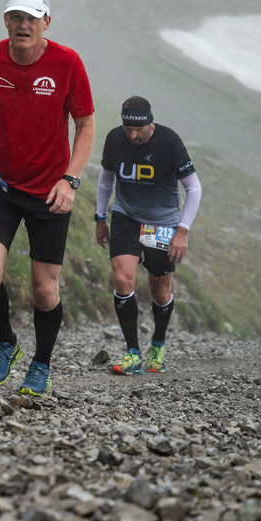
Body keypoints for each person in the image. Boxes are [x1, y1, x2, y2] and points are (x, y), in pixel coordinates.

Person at [0, 0, 96, 396]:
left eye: (31, 18)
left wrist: (70, 179)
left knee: (44, 289)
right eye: (16, 17)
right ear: (6, 20)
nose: (23, 25)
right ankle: (6, 341)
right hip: (0, 181)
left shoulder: (67, 62)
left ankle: (41, 363)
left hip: (50, 190)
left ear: (46, 23)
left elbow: (86, 124)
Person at [94, 95, 201, 374]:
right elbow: (106, 180)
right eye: (128, 129)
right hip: (126, 217)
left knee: (160, 288)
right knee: (122, 278)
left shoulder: (169, 141)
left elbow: (194, 188)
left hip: (164, 223)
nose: (133, 135)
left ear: (150, 123)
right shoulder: (115, 139)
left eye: (138, 130)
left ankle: (158, 344)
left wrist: (182, 231)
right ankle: (132, 353)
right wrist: (101, 217)